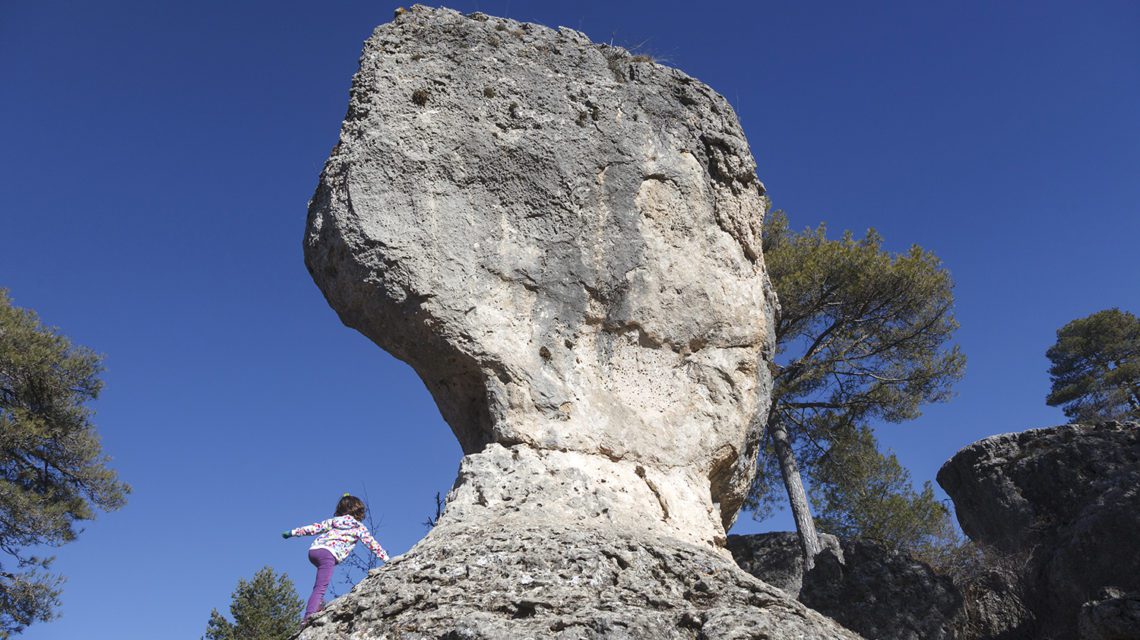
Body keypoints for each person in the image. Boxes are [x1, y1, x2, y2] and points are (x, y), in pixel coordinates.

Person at [283, 494, 390, 620]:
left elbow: (314, 528)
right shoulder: (359, 527)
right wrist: (387, 559)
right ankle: (307, 618)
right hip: (328, 554)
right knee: (320, 587)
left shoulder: (334, 521)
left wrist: (293, 532)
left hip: (314, 551)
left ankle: (318, 605)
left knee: (320, 583)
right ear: (359, 511)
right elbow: (372, 544)